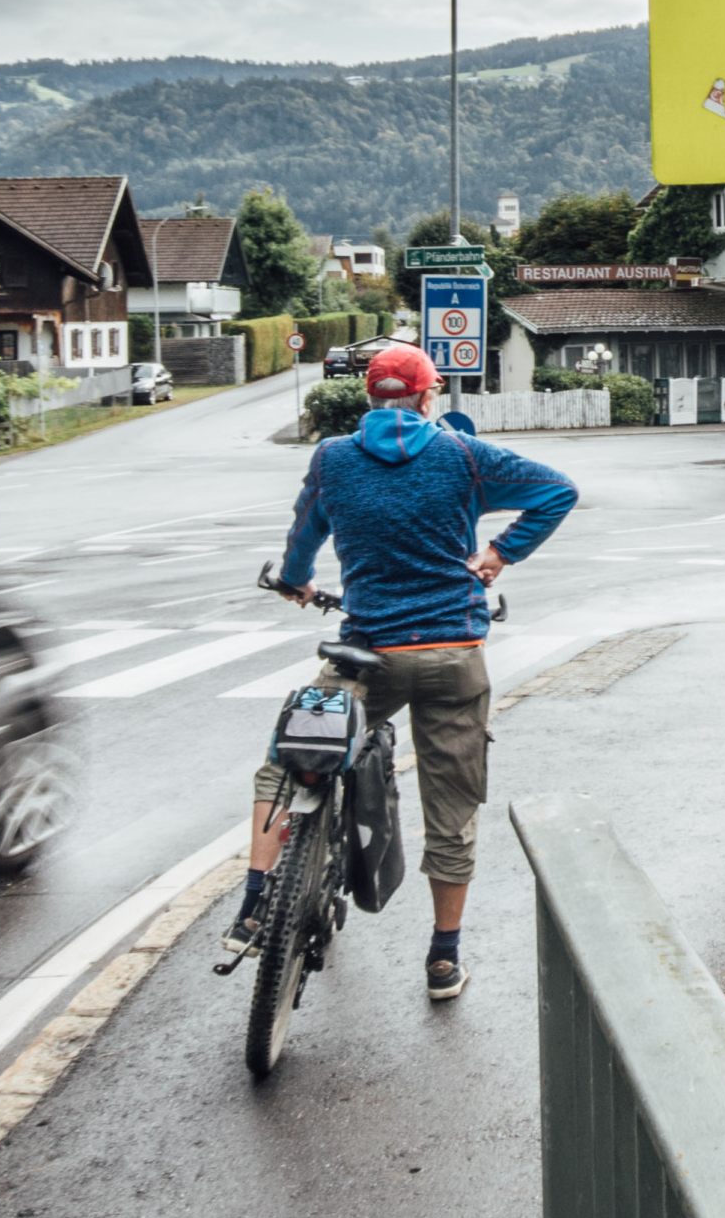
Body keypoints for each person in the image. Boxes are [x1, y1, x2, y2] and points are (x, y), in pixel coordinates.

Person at [223, 342, 577, 1002]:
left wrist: (298, 581)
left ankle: (254, 901)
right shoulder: (463, 454)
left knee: (289, 756)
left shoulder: (332, 458)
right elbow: (558, 490)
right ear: (426, 395)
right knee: (451, 807)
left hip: (370, 655)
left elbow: (304, 536)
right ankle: (443, 957)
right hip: (452, 655)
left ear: (367, 396)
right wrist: (499, 553)